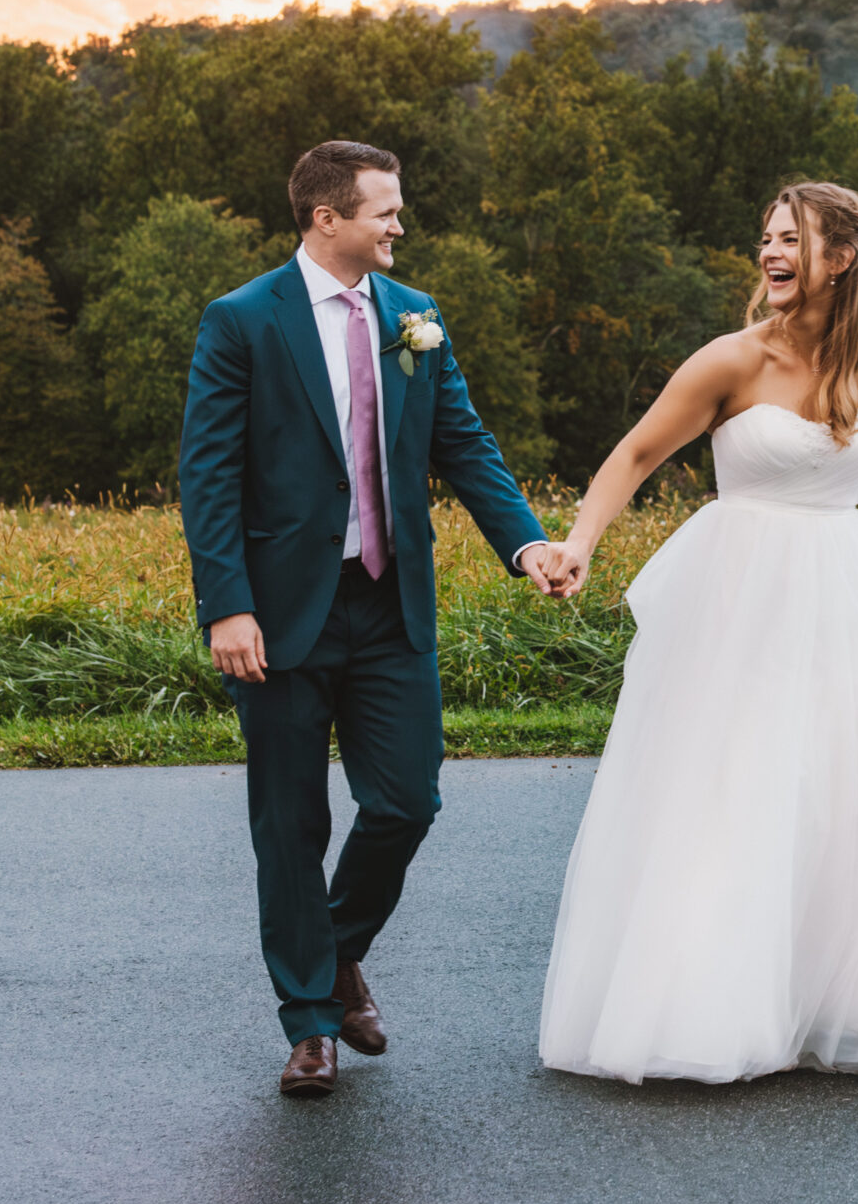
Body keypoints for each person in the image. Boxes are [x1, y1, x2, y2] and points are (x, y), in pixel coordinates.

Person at [536, 180, 858, 1083]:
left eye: (792, 241)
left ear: (841, 260)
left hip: (849, 600)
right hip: (740, 600)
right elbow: (638, 454)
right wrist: (579, 541)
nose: (771, 255)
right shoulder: (729, 361)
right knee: (738, 789)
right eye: (767, 239)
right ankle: (710, 1006)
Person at [179, 140, 574, 1098]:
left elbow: (464, 445)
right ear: (326, 219)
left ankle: (336, 947)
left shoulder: (415, 318)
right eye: (384, 211)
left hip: (391, 604)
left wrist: (525, 544)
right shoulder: (242, 321)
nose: (400, 225)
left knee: (406, 802)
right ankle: (310, 1022)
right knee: (290, 823)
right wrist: (227, 605)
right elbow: (209, 476)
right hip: (276, 617)